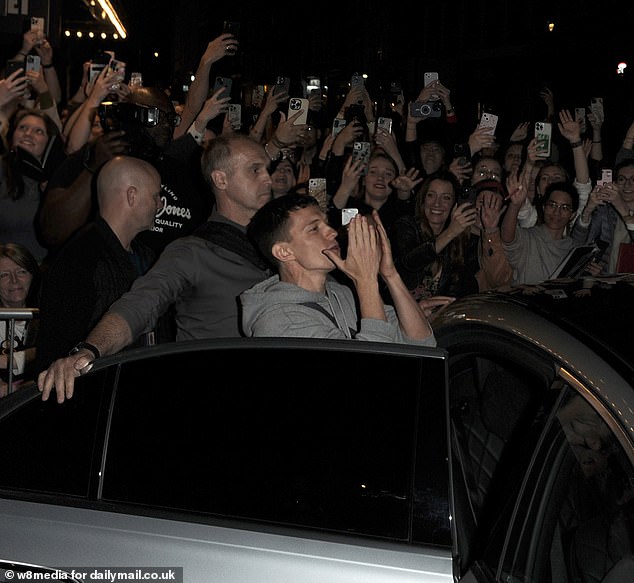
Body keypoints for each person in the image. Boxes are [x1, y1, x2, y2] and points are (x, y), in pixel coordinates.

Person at [37, 134, 275, 404]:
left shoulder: (146, 254)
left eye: (266, 169)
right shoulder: (188, 252)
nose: (267, 178)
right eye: (255, 169)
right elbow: (141, 304)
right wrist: (86, 353)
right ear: (220, 180)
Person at [38, 85, 215, 256]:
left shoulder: (181, 170)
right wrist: (94, 169)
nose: (166, 125)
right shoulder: (94, 156)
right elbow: (52, 233)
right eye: (155, 116)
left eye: (171, 119)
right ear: (130, 115)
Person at [240, 192, 435, 346]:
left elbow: (422, 342)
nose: (332, 232)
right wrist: (366, 281)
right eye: (314, 228)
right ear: (284, 252)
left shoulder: (342, 294)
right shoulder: (280, 322)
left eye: (326, 223)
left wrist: (390, 274)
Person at [35, 156, 164, 370]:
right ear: (132, 196)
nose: (160, 204)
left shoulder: (146, 255)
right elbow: (61, 346)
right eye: (156, 196)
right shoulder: (80, 260)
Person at [389, 171, 480, 300]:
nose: (437, 204)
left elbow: (461, 287)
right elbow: (409, 262)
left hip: (439, 314)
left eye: (446, 198)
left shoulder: (460, 240)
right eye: (431, 195)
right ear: (423, 199)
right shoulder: (405, 225)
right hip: (400, 310)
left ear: (454, 204)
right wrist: (450, 232)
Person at [0, 108, 65, 264]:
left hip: (43, 270)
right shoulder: (1, 167)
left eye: (38, 131)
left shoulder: (58, 178)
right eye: (22, 128)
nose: (28, 134)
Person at [501, 180, 586, 285]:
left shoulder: (572, 250)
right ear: (544, 207)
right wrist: (515, 205)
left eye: (564, 208)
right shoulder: (529, 238)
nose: (556, 212)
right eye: (552, 205)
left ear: (572, 215)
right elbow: (508, 238)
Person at [571, 159, 634, 273]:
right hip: (607, 283)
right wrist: (588, 209)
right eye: (621, 179)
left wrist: (622, 207)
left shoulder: (618, 206)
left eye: (633, 179)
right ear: (614, 183)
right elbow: (576, 244)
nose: (627, 184)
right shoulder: (606, 211)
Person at [0, 242, 40, 396]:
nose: (14, 280)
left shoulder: (47, 315)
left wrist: (8, 361)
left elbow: (55, 353)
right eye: (4, 275)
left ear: (32, 275)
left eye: (21, 271)